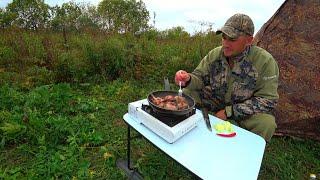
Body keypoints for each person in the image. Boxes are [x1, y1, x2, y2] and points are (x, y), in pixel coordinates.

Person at [175, 13, 279, 142]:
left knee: (266, 123)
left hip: (243, 109)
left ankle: (245, 153)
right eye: (224, 37)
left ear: (249, 40)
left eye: (232, 39)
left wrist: (229, 112)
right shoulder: (215, 54)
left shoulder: (264, 61)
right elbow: (200, 78)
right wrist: (188, 79)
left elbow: (268, 100)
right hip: (216, 100)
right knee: (187, 92)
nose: (225, 43)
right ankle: (188, 133)